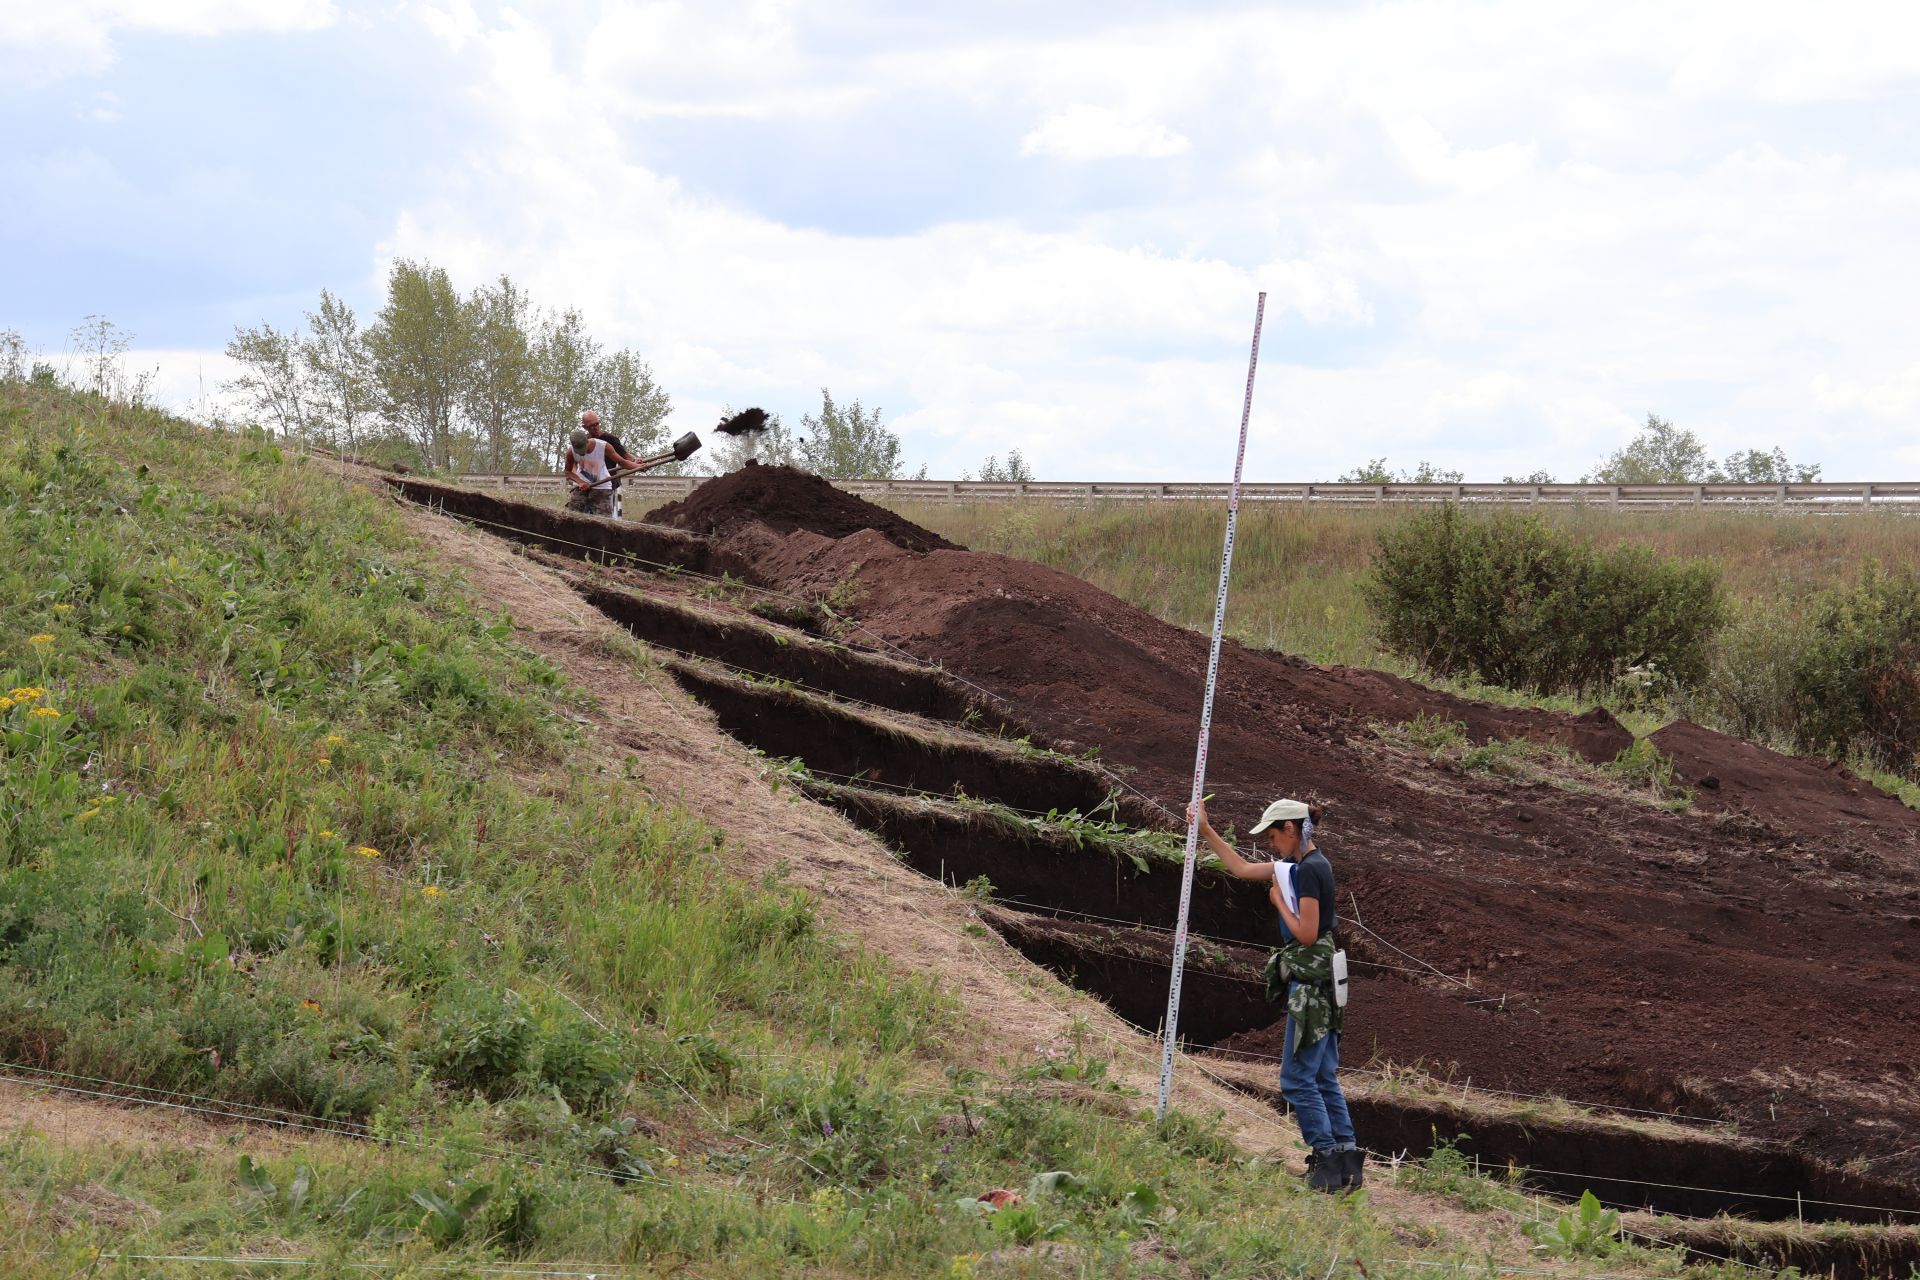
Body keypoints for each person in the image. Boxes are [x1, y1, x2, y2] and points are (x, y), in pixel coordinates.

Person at [1191, 796, 1361, 1193]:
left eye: (1273, 835)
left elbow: (1305, 933)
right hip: (1327, 980)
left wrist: (1279, 904)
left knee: (1298, 1079)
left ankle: (1325, 1161)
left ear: (1291, 829)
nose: (1272, 844)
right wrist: (1205, 829)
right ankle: (1347, 1162)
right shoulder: (1302, 866)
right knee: (1322, 1075)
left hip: (1312, 983)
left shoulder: (1308, 872)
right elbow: (1240, 867)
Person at [581, 410, 635, 520]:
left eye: (597, 424)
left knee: (605, 517)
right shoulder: (584, 442)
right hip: (589, 485)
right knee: (584, 516)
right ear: (585, 427)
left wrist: (638, 464)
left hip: (607, 484)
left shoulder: (610, 439)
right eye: (591, 426)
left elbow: (625, 457)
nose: (595, 428)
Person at [562, 425, 624, 516]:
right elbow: (568, 471)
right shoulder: (572, 451)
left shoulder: (605, 444)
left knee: (604, 520)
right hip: (583, 486)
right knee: (572, 515)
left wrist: (636, 464)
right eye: (591, 426)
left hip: (602, 486)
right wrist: (580, 482)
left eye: (596, 424)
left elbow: (623, 460)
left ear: (587, 442)